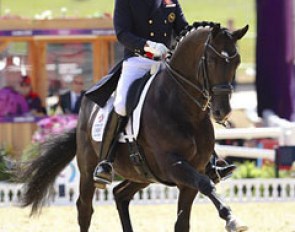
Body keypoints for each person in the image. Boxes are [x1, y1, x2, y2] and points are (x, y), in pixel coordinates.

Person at [93, 0, 235, 187]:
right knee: (121, 105)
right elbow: (122, 33)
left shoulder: (170, 1)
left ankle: (210, 162)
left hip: (166, 64)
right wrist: (147, 45)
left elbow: (183, 30)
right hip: (138, 61)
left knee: (194, 100)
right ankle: (107, 161)